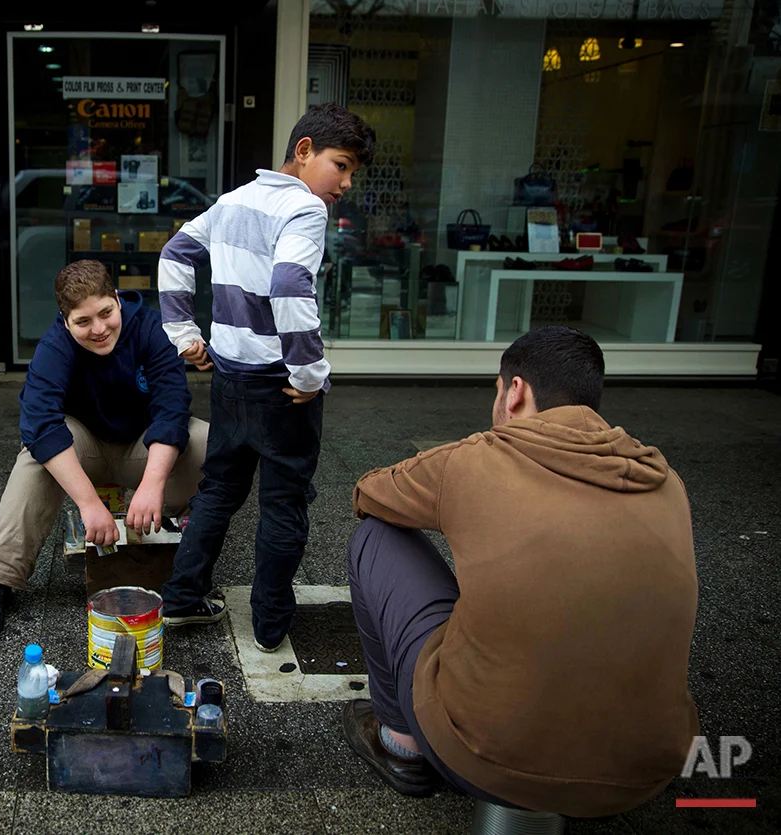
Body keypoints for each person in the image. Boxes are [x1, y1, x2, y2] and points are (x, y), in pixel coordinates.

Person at [341, 326, 699, 817]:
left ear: (515, 392)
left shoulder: (475, 462)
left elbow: (369, 494)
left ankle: (402, 743)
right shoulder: (665, 481)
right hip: (645, 773)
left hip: (484, 760)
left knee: (374, 538)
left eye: (496, 390)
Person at [157, 102, 375, 650]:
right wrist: (308, 374)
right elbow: (290, 286)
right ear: (303, 152)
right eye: (341, 165)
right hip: (281, 386)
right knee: (283, 503)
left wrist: (184, 336)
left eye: (352, 172)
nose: (346, 183)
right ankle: (271, 624)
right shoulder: (305, 209)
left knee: (219, 491)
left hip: (230, 376)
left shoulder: (233, 201)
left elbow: (175, 251)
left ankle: (182, 598)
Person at [0, 260, 210, 642]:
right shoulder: (53, 347)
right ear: (66, 321)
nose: (98, 329)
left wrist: (152, 483)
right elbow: (41, 423)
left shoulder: (150, 328)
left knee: (205, 440)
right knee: (35, 456)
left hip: (140, 447)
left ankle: (184, 546)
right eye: (83, 322)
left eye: (106, 313)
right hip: (85, 450)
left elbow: (172, 405)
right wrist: (88, 503)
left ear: (116, 298)